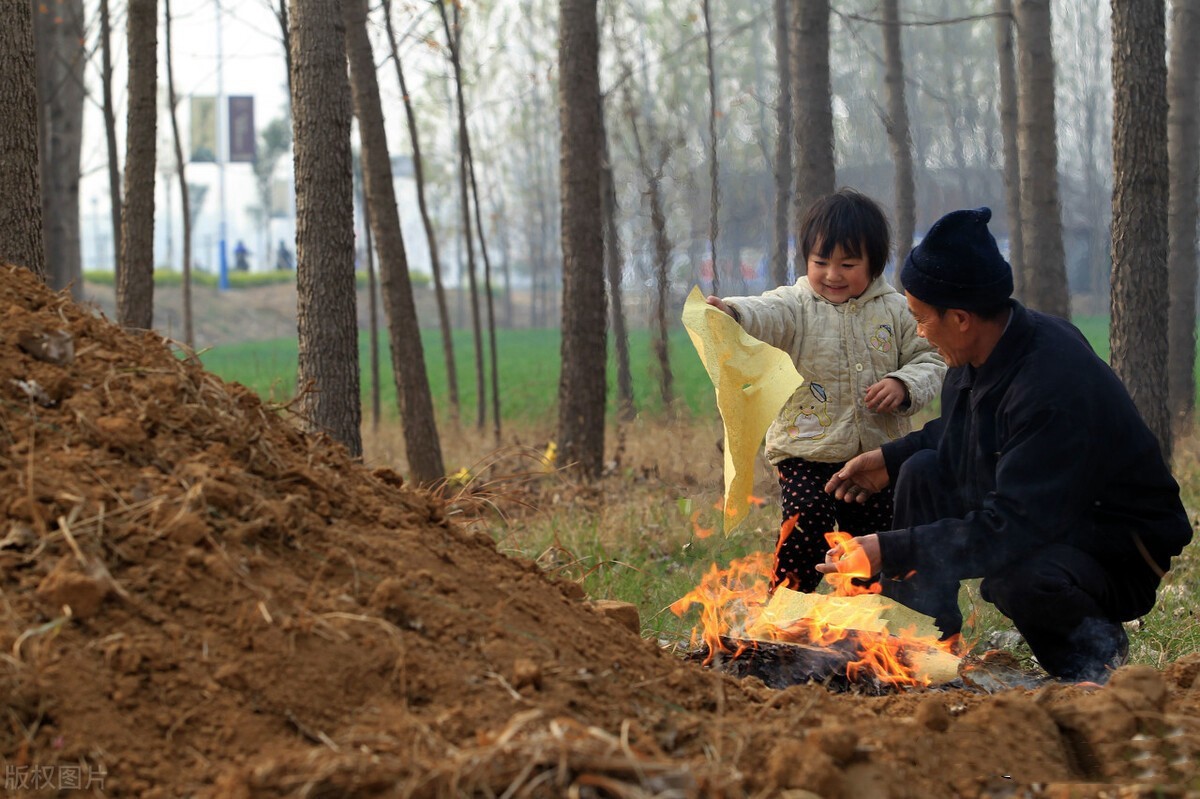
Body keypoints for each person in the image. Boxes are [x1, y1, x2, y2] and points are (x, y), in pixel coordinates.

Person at [818, 206, 1194, 683]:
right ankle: (921, 643)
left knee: (1017, 577)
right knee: (922, 471)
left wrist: (887, 548)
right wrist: (889, 459)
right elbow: (963, 436)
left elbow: (1011, 528)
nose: (919, 333)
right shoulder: (978, 352)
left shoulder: (1050, 387)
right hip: (1048, 512)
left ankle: (1091, 659)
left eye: (920, 319)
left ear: (960, 318)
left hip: (1115, 546)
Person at [706, 188, 946, 592]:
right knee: (807, 521)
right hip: (806, 451)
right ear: (807, 261)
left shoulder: (896, 310)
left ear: (874, 264)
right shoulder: (797, 304)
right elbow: (765, 311)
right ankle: (786, 610)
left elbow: (932, 359)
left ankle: (864, 625)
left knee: (869, 543)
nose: (832, 275)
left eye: (848, 264)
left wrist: (903, 384)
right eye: (821, 263)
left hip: (873, 458)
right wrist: (733, 312)